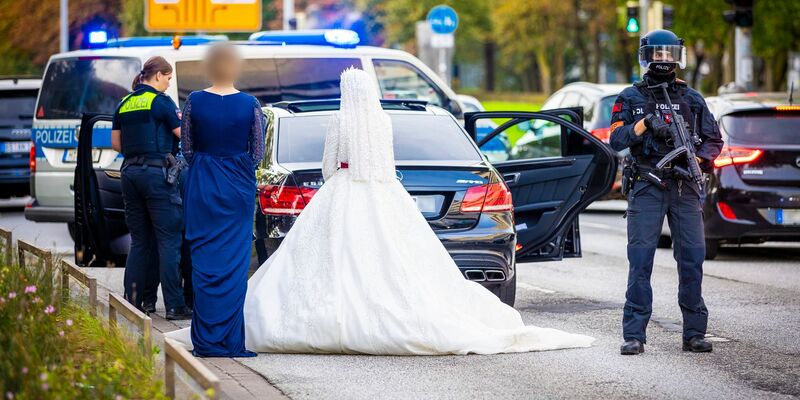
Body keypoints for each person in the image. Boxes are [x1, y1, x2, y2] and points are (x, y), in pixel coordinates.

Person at [168, 67, 594, 355]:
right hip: (384, 194)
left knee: (329, 262)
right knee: (394, 261)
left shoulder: (338, 123)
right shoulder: (384, 123)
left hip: (341, 194)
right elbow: (385, 165)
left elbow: (329, 166)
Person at [609, 30, 724, 355]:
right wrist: (645, 124)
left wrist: (698, 159)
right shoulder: (630, 97)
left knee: (692, 260)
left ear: (677, 56)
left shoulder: (692, 99)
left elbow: (714, 140)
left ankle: (694, 334)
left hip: (684, 185)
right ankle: (634, 335)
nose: (663, 59)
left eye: (668, 53)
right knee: (641, 260)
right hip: (647, 184)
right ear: (646, 56)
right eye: (657, 54)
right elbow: (616, 141)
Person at [180, 43, 264, 357]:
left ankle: (205, 340)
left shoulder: (195, 101)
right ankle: (229, 340)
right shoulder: (250, 104)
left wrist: (207, 162)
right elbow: (257, 152)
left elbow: (186, 150)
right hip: (237, 187)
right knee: (234, 263)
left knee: (202, 260)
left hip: (202, 183)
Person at [111, 56, 192, 320]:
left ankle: (134, 301)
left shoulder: (124, 102)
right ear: (158, 76)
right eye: (168, 78)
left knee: (140, 241)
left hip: (129, 174)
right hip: (157, 175)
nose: (168, 84)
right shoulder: (160, 102)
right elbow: (183, 135)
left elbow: (116, 144)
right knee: (168, 240)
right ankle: (174, 306)